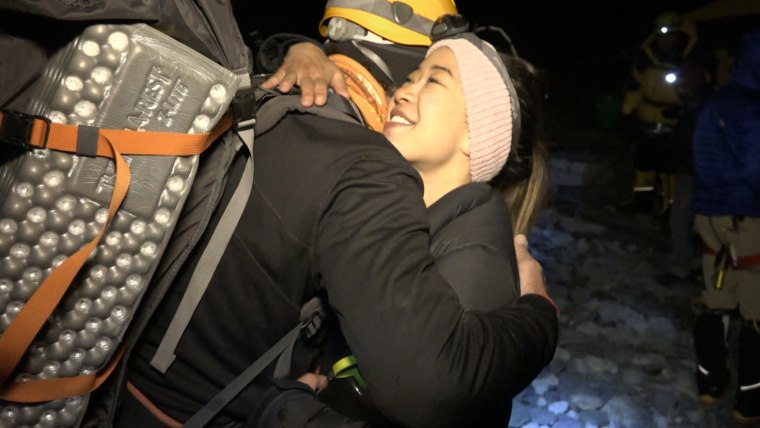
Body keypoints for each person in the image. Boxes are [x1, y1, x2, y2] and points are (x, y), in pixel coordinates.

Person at [117, 2, 559, 428]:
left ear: (474, 134)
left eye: (433, 81)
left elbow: (435, 387)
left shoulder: (470, 247)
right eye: (412, 75)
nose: (403, 90)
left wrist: (285, 409)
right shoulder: (413, 208)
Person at [691, 29, 760, 425]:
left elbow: (699, 158)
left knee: (716, 302)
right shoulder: (754, 110)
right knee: (756, 312)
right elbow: (755, 172)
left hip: (710, 219)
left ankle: (708, 386)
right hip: (748, 221)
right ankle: (749, 404)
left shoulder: (715, 103)